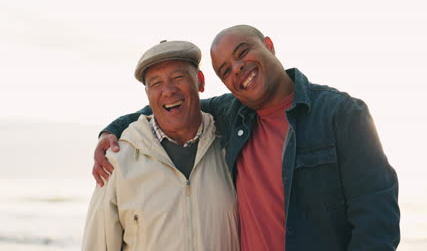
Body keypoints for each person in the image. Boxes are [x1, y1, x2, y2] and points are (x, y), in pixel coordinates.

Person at [94, 25, 400, 251]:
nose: (238, 69)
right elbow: (170, 106)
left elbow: (377, 220)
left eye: (243, 53)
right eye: (226, 70)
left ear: (269, 45)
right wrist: (110, 131)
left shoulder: (340, 114)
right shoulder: (231, 114)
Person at [82, 40, 239, 251]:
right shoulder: (118, 161)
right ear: (147, 93)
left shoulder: (231, 147)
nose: (168, 90)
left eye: (178, 78)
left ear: (200, 81)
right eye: (156, 83)